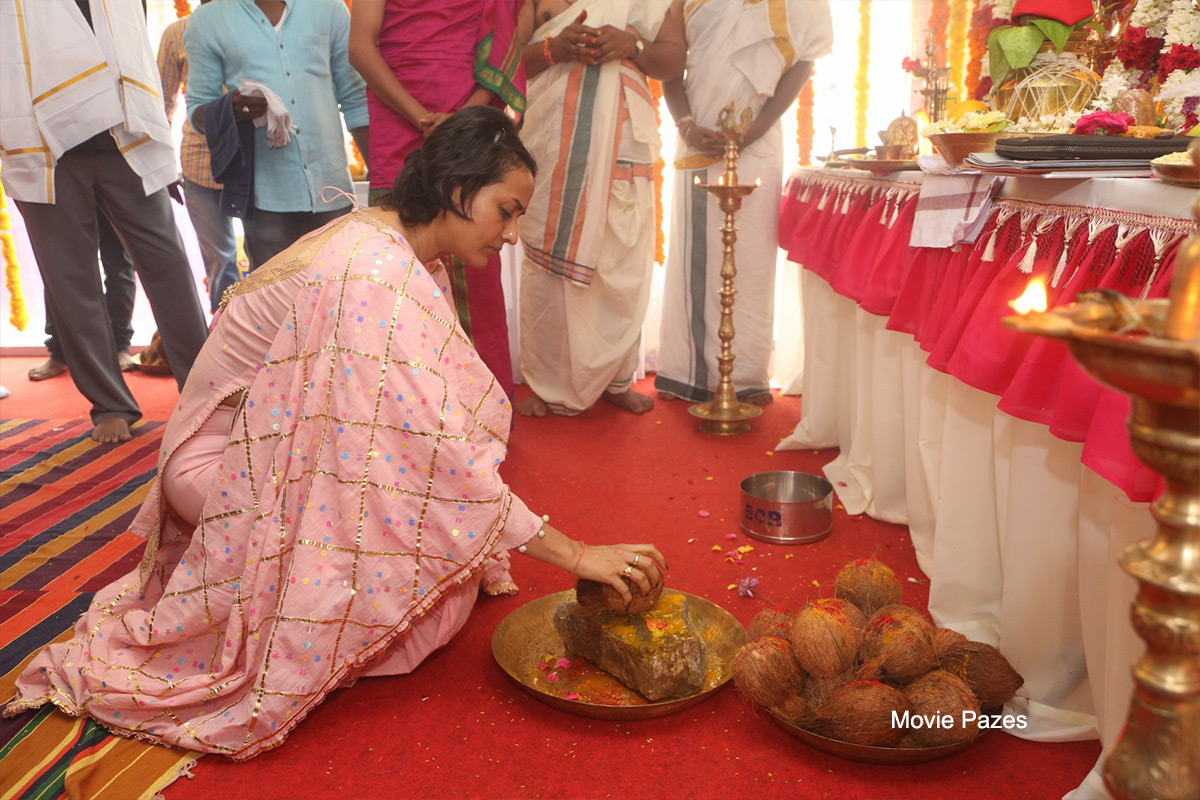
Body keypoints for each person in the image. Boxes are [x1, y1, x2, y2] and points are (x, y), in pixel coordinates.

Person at [3, 107, 667, 760]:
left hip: (277, 435)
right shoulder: (373, 272)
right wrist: (578, 556)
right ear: (456, 188)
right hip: (218, 465)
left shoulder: (403, 249)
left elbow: (436, 413)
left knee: (432, 583)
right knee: (404, 547)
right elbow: (437, 457)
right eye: (507, 210)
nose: (513, 235)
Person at [0, 0, 209, 443]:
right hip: (43, 149)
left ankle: (207, 394)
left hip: (126, 137)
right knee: (71, 281)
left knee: (168, 264)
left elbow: (135, 52)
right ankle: (111, 405)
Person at [655, 0, 832, 406]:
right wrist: (686, 126)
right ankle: (686, 373)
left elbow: (803, 62)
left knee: (751, 261)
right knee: (696, 256)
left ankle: (747, 375)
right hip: (698, 134)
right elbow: (670, 64)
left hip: (758, 139)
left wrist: (752, 132)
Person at [514, 0, 686, 418]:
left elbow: (673, 61)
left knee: (621, 258)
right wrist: (554, 48)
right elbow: (505, 62)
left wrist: (634, 47)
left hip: (623, 142)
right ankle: (545, 382)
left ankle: (617, 379)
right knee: (547, 267)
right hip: (552, 139)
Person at [348, 0, 527, 399]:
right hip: (399, 121)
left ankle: (483, 416)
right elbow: (360, 47)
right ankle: (404, 413)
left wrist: (460, 122)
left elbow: (506, 40)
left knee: (478, 283)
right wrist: (423, 117)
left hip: (470, 128)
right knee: (395, 278)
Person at [184, 0, 370, 270]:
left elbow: (355, 98)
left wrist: (383, 178)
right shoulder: (207, 21)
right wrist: (229, 108)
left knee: (341, 290)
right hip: (265, 202)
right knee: (275, 295)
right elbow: (198, 109)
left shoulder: (329, 7)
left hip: (332, 190)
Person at [157, 0, 241, 313]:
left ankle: (267, 334)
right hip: (199, 161)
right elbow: (161, 106)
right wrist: (162, 166)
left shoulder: (253, 23)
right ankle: (226, 333)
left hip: (256, 159)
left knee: (268, 256)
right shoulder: (176, 33)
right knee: (220, 260)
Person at [29, 212, 138, 381]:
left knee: (120, 267)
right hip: (66, 198)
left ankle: (120, 346)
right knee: (61, 269)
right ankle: (59, 352)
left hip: (117, 198)